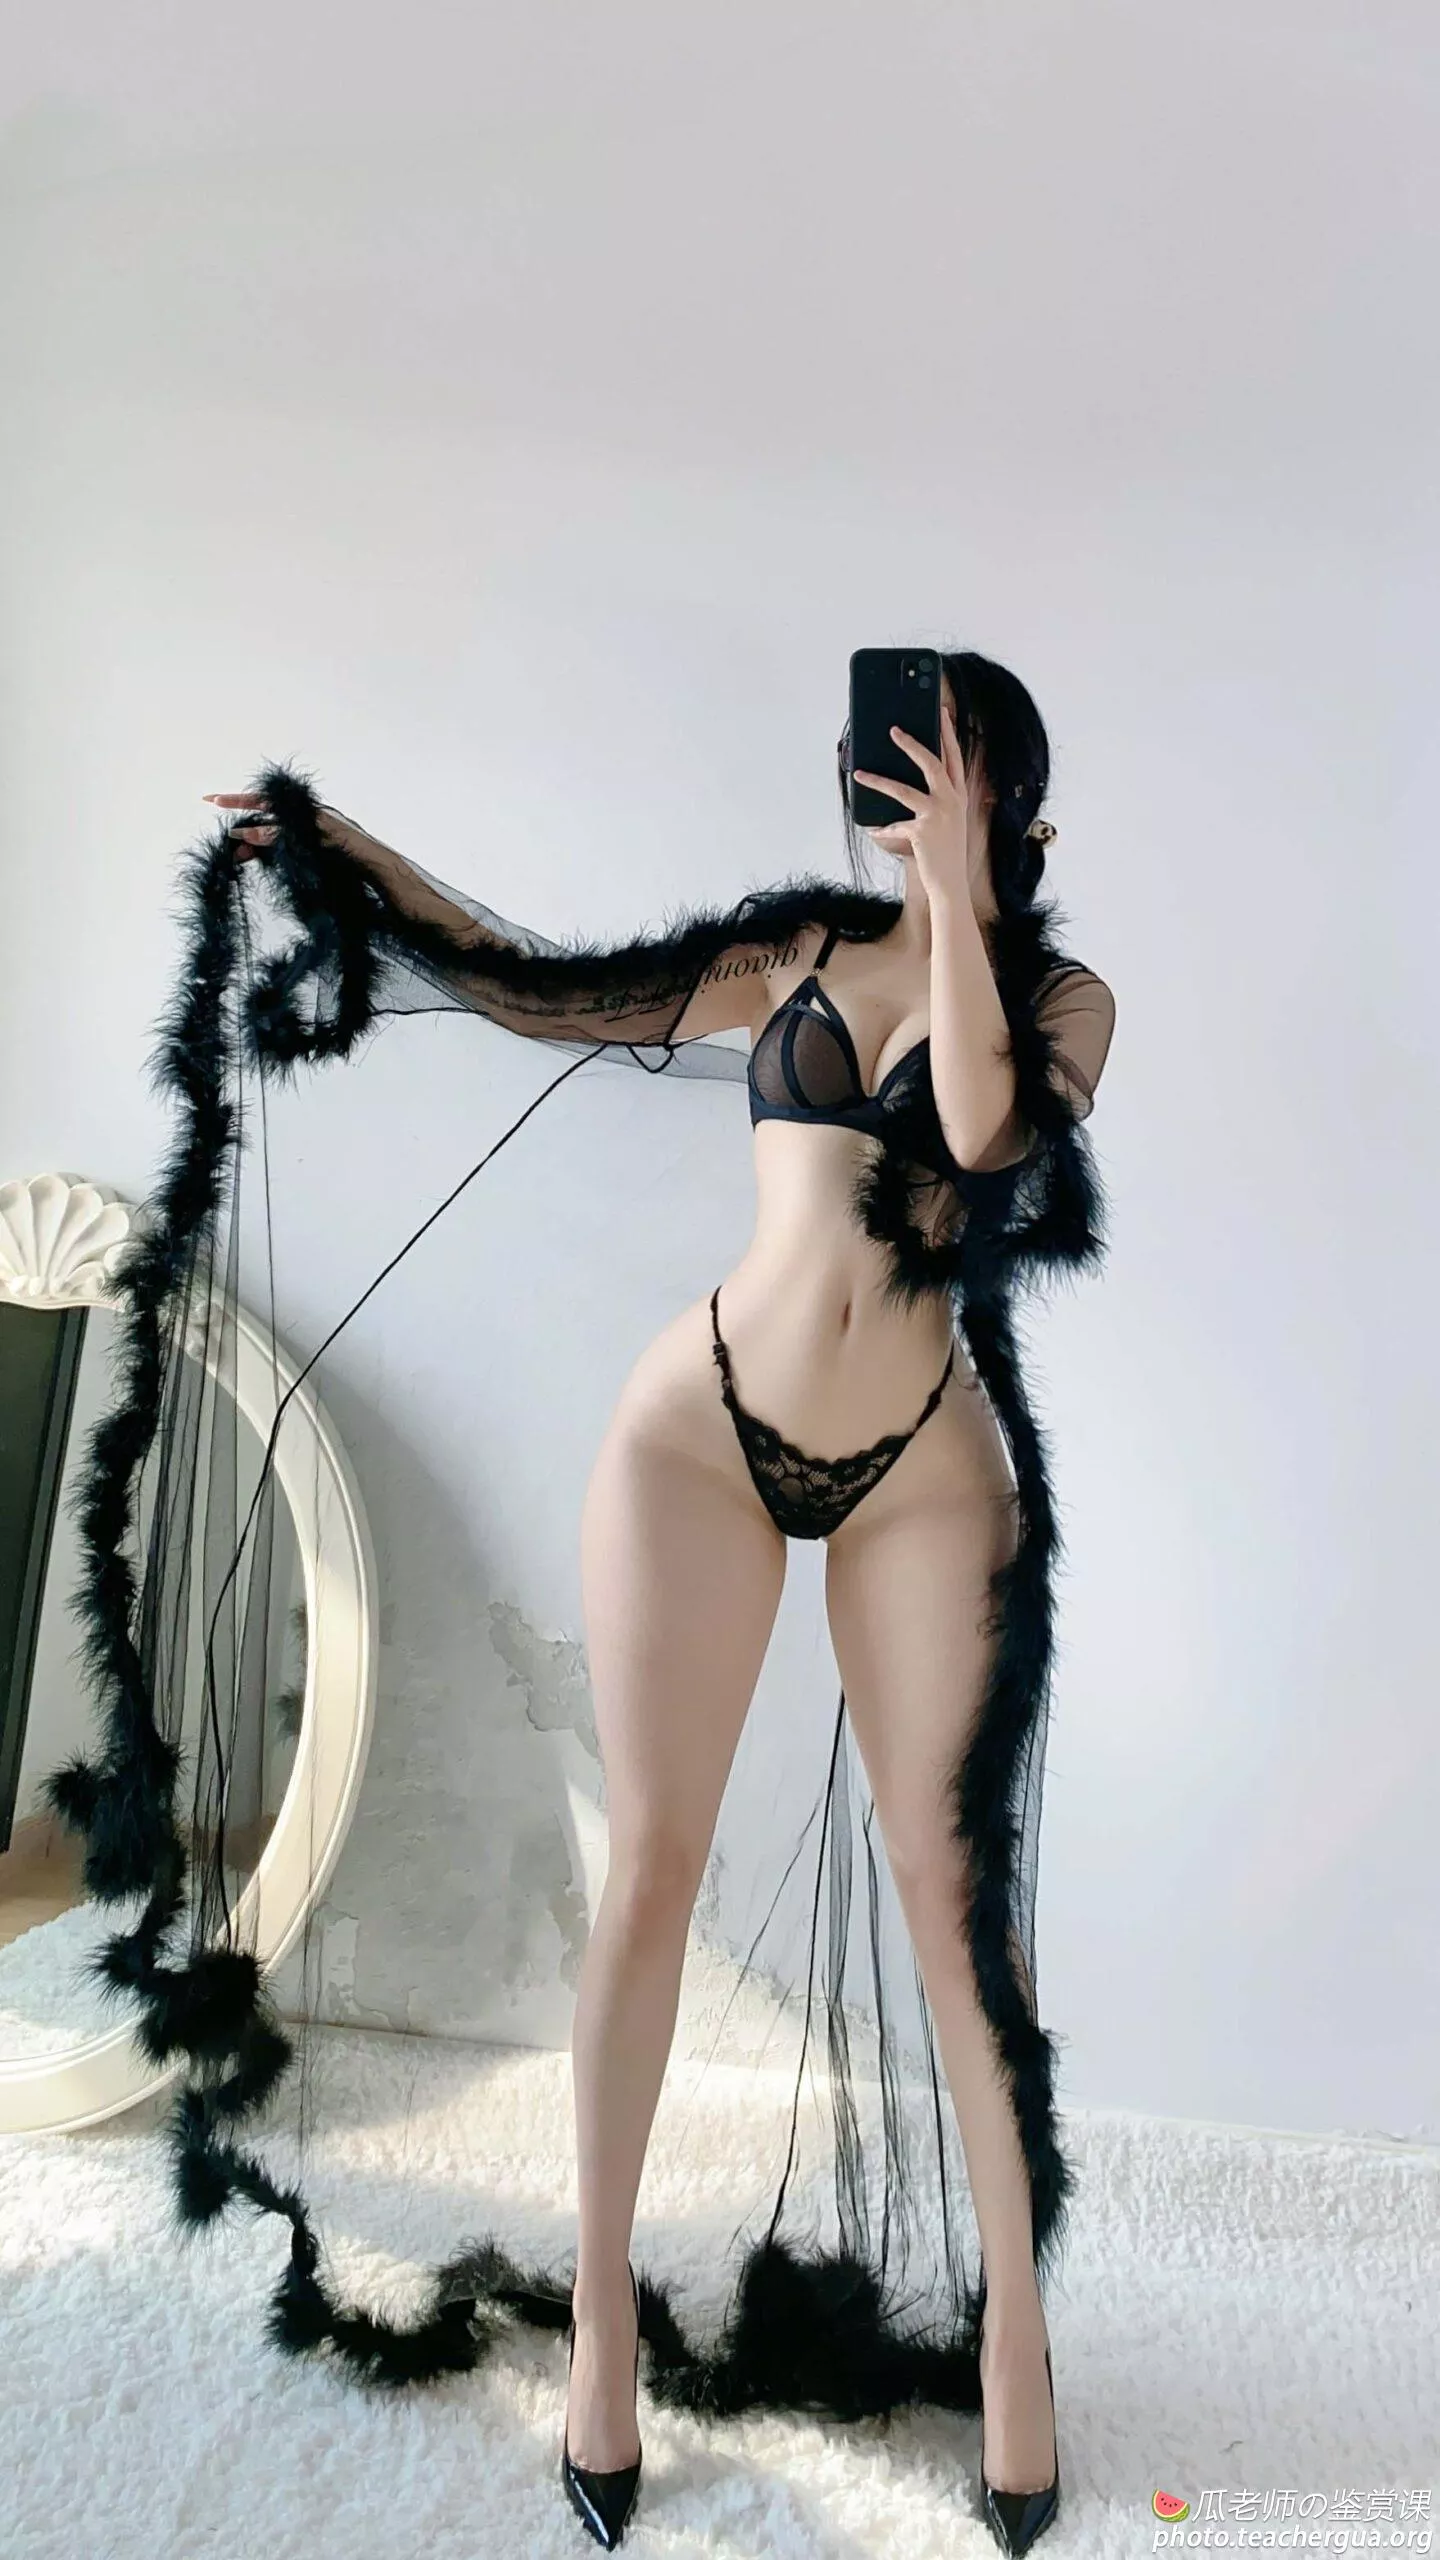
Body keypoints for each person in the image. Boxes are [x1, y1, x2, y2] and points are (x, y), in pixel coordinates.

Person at [202, 650, 1115, 2554]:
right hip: (700, 1433)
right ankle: (605, 2318)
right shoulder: (794, 950)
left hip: (923, 1466)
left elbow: (980, 1132)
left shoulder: (1058, 1001)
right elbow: (535, 990)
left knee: (959, 1909)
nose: (895, 794)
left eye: (939, 772)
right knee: (655, 1868)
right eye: (888, 772)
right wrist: (349, 850)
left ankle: (1018, 2333)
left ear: (1008, 798)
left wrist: (961, 895)